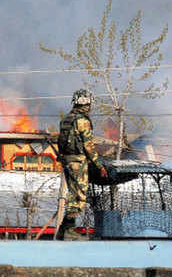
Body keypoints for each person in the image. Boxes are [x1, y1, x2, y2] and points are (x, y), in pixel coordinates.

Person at [57, 89, 108, 240]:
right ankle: (69, 230)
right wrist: (100, 166)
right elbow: (89, 147)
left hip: (67, 160)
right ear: (86, 103)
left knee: (73, 193)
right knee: (78, 196)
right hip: (78, 162)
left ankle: (63, 229)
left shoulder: (66, 119)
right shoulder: (82, 121)